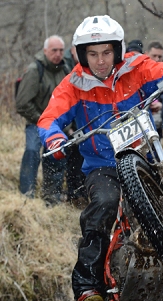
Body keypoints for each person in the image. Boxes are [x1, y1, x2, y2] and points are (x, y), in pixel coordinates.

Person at [37, 15, 163, 301]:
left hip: (145, 158)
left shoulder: (135, 66)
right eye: (92, 54)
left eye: (106, 52)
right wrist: (54, 137)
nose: (100, 60)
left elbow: (161, 70)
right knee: (104, 205)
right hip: (102, 168)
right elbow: (48, 117)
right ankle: (86, 286)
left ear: (117, 50)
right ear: (82, 55)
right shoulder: (74, 84)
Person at [16, 35, 70, 204]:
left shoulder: (65, 70)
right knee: (32, 152)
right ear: (45, 51)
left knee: (56, 156)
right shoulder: (34, 70)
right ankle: (27, 195)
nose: (58, 54)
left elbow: (71, 100)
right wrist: (42, 120)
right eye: (54, 50)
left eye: (61, 50)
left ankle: (51, 197)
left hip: (57, 124)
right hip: (35, 122)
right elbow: (22, 103)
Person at [64, 44, 87, 208]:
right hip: (71, 125)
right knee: (73, 162)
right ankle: (73, 194)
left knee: (83, 159)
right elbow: (67, 100)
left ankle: (82, 193)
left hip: (85, 124)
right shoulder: (65, 66)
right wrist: (69, 128)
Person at [146, 40, 163, 138]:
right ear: (146, 54)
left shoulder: (162, 75)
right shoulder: (138, 72)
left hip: (157, 122)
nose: (157, 59)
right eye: (154, 56)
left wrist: (161, 105)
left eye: (159, 57)